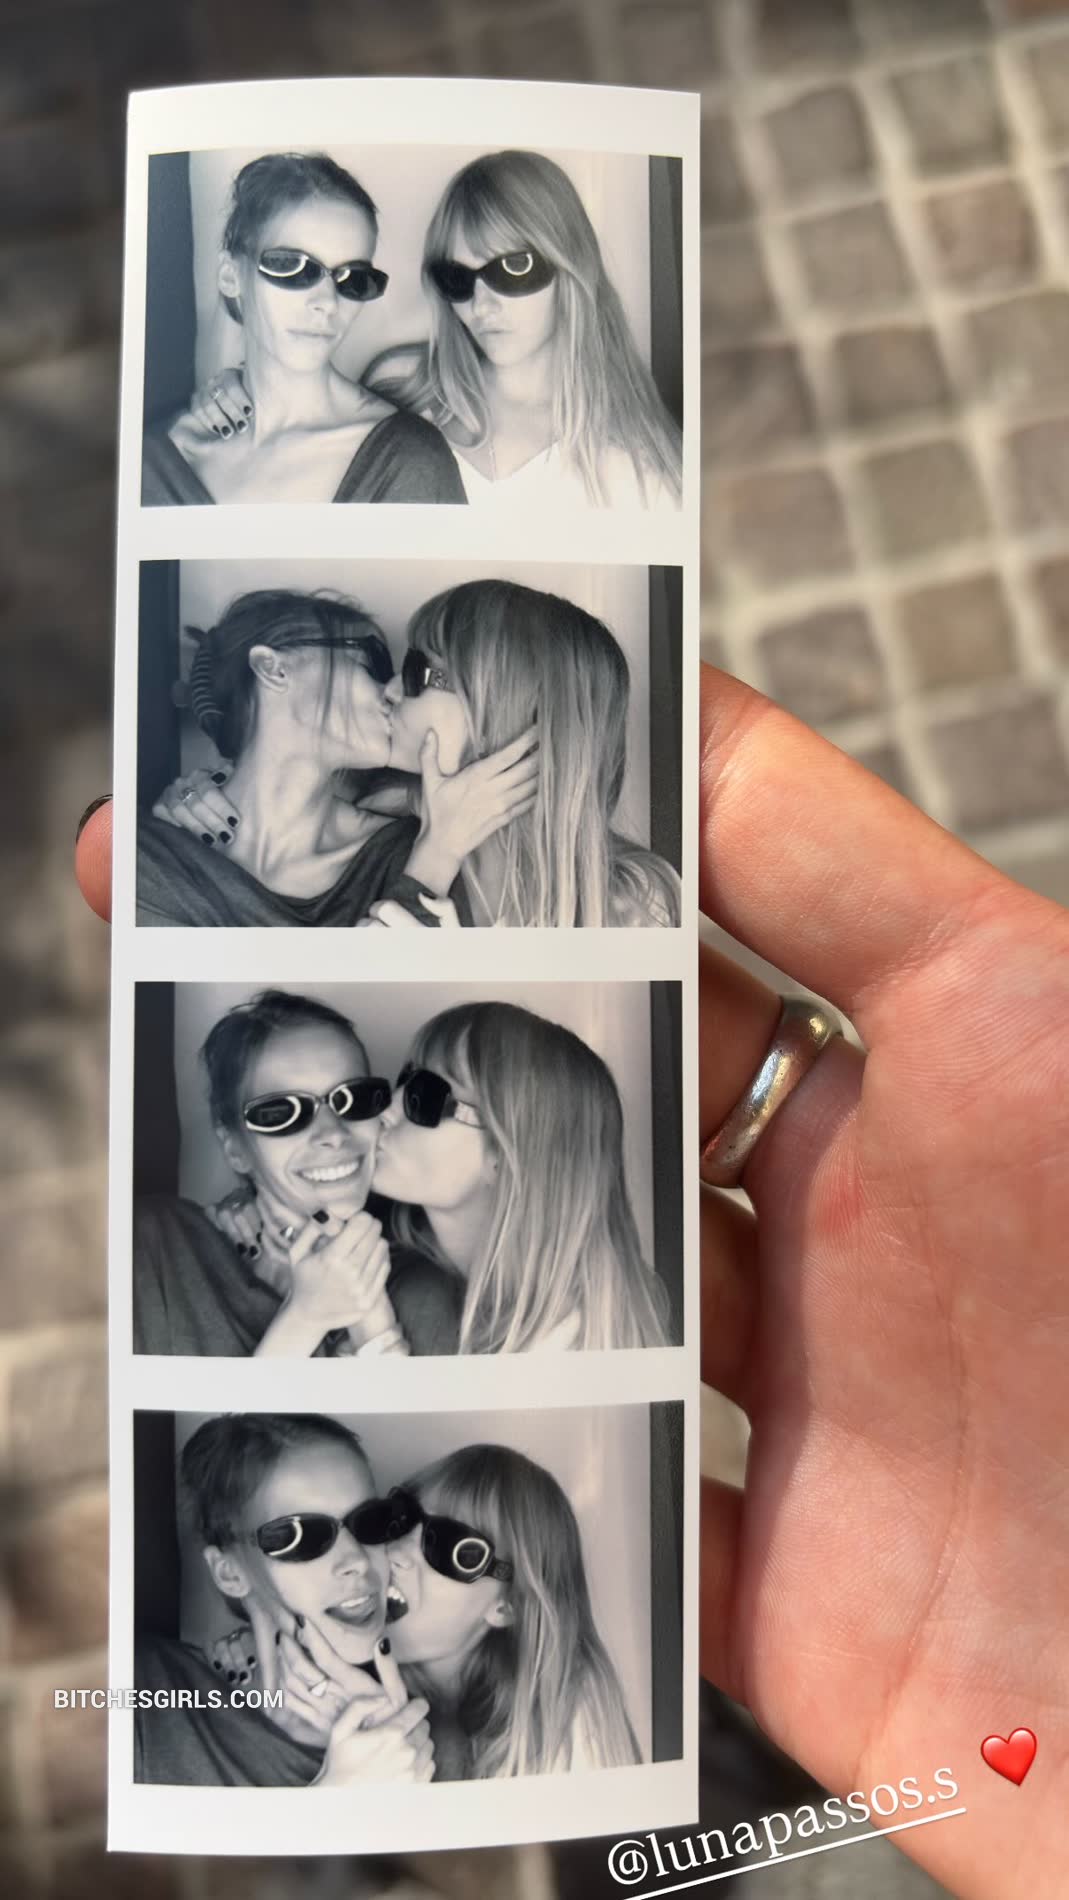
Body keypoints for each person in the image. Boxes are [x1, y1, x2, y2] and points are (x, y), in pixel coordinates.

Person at [85, 659, 1069, 1893]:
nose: (350, 1125)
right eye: (283, 1111)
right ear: (231, 1139)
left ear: (518, 1147)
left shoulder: (455, 1309)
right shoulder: (279, 1261)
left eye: (386, 1093)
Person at [154, 579, 678, 929]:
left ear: (502, 704)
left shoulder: (633, 902)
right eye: (375, 666)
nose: (389, 691)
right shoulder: (399, 828)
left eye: (416, 672)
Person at [188, 150, 682, 512]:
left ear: (573, 266)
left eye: (513, 268)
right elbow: (309, 411)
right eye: (458, 278)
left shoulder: (647, 469)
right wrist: (239, 389)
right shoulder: (403, 388)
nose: (481, 304)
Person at [209, 1438, 642, 1781]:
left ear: (508, 1605)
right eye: (398, 1519)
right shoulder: (319, 1677)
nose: (395, 1552)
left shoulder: (569, 1719)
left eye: (450, 1548)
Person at [136, 587, 536, 926]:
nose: (392, 691)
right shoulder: (148, 858)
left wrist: (435, 853)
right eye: (368, 663)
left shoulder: (418, 849)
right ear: (273, 669)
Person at [134, 989, 461, 1357]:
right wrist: (305, 1318)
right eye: (282, 1112)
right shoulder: (154, 1246)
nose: (333, 1134)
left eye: (353, 1097)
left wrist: (374, 1332)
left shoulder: (424, 1293)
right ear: (235, 1149)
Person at [142, 152, 465, 505]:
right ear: (230, 276)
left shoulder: (412, 461)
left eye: (353, 279)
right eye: (292, 267)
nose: (327, 302)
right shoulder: (153, 461)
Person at [135, 1413, 435, 1785]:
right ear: (230, 1573)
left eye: (369, 1521)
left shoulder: (424, 1732)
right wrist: (336, 1796)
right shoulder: (143, 1690)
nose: (357, 1560)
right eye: (301, 1536)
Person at [373, 1000, 672, 1352]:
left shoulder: (563, 1342)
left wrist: (372, 1327)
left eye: (422, 1095)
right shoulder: (412, 1279)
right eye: (404, 1079)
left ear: (502, 1154)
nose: (386, 1110)